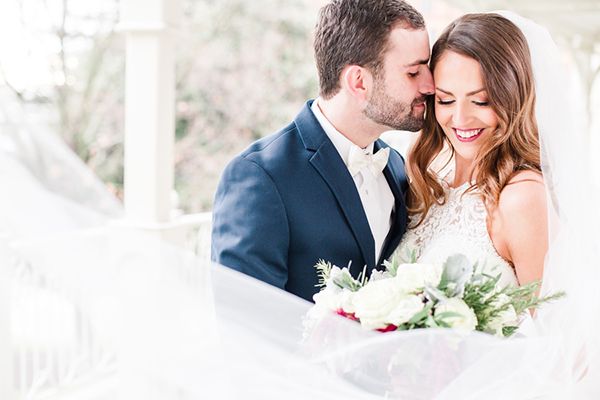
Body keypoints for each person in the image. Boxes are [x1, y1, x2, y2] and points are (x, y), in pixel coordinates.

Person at [211, 0, 434, 301]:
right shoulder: (261, 177)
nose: (430, 85)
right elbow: (246, 329)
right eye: (413, 72)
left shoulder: (394, 166)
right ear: (358, 82)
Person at [394, 13, 547, 292]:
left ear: (513, 98)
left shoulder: (522, 197)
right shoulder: (428, 180)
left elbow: (551, 323)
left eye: (481, 101)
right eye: (446, 100)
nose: (461, 119)